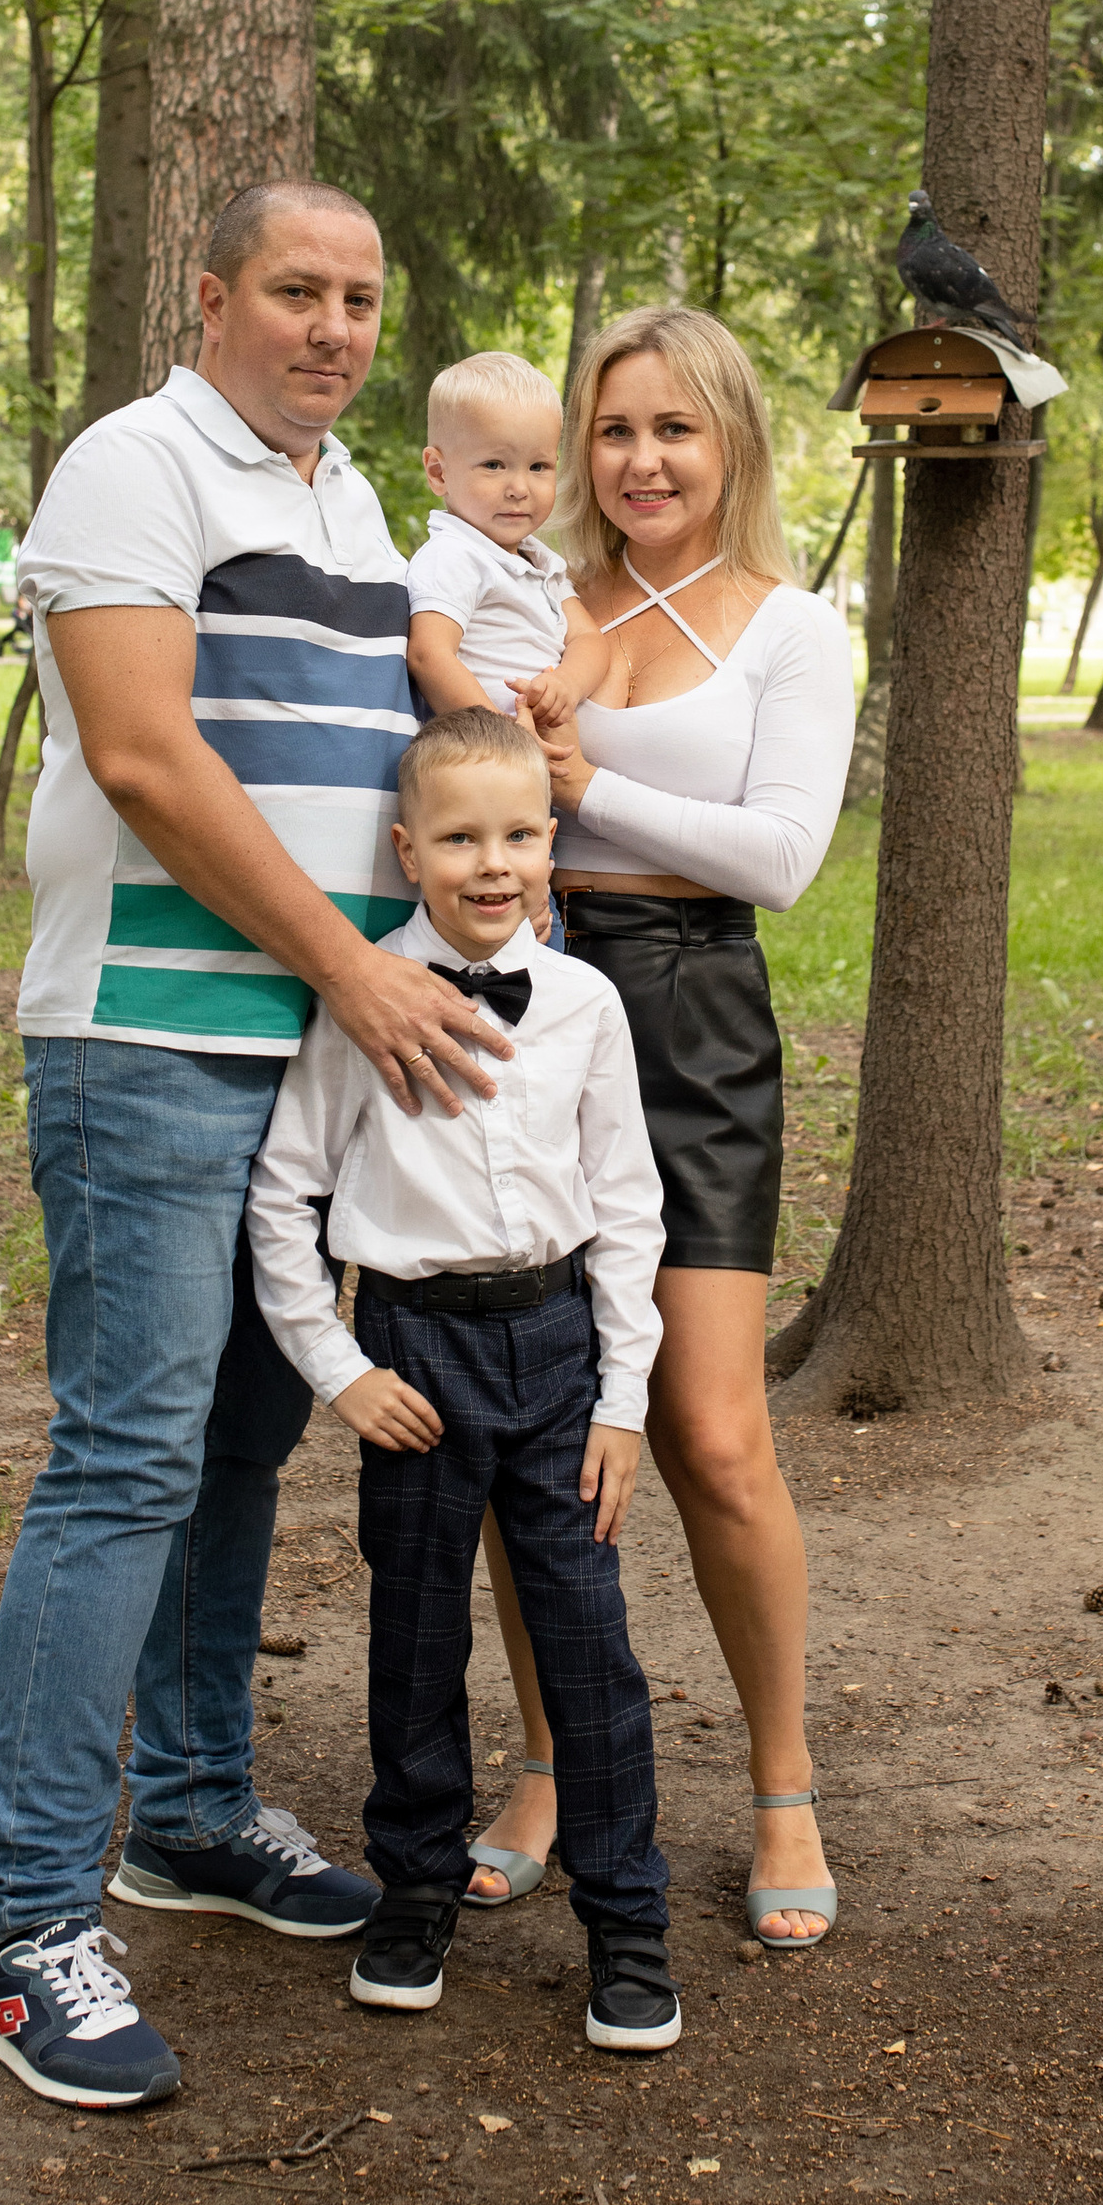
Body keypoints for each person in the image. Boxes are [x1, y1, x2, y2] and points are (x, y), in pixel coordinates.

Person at [0, 182, 517, 2113]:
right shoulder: (135, 467)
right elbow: (143, 757)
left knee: (244, 1448)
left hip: (314, 1066)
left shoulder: (353, 505)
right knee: (126, 1457)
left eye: (361, 297)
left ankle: (191, 1814)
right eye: (297, 291)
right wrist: (352, 968)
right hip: (152, 1043)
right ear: (213, 298)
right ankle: (24, 1930)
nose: (334, 327)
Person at [468, 303, 854, 1950]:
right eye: (615, 430)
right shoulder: (535, 599)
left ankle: (782, 1785)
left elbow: (780, 856)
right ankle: (547, 1767)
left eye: (674, 429)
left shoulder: (794, 626)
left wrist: (583, 790)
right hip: (527, 1000)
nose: (641, 461)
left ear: (732, 443)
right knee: (526, 1424)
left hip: (693, 1016)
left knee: (709, 1432)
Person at [248, 706, 679, 2051]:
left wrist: (622, 1401)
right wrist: (338, 1369)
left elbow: (628, 1205)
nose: (493, 864)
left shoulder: (587, 1006)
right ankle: (416, 1889)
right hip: (413, 1358)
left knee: (589, 1645)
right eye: (459, 840)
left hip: (557, 1354)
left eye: (519, 836)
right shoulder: (364, 994)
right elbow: (284, 1193)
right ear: (407, 850)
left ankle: (627, 1922)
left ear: (551, 844)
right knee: (417, 1637)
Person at [403, 352, 627, 725]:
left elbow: (589, 640)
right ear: (439, 472)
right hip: (479, 746)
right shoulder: (453, 555)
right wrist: (502, 737)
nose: (520, 488)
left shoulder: (541, 562)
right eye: (494, 465)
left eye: (539, 466)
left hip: (533, 742)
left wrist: (566, 684)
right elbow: (429, 655)